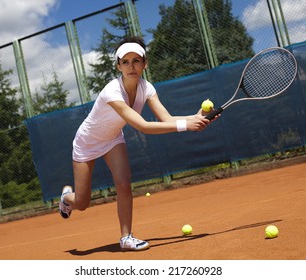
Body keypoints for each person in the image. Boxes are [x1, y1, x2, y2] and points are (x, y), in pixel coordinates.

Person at [59, 36, 217, 251]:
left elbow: (167, 119)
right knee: (82, 203)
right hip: (87, 142)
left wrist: (195, 117)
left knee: (124, 185)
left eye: (136, 60)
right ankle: (67, 198)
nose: (131, 66)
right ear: (118, 65)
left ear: (145, 63)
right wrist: (187, 125)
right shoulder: (111, 92)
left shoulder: (147, 88)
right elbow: (143, 126)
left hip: (113, 138)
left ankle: (126, 237)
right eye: (125, 62)